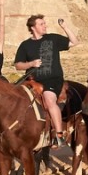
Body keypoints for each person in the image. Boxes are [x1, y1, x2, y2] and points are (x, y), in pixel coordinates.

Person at [14, 15, 79, 148]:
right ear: (33, 28)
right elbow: (18, 65)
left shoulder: (53, 38)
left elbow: (74, 42)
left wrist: (65, 27)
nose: (45, 26)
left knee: (49, 99)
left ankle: (59, 135)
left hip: (52, 79)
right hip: (32, 80)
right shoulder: (25, 45)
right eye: (41, 24)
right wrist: (31, 63)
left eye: (44, 23)